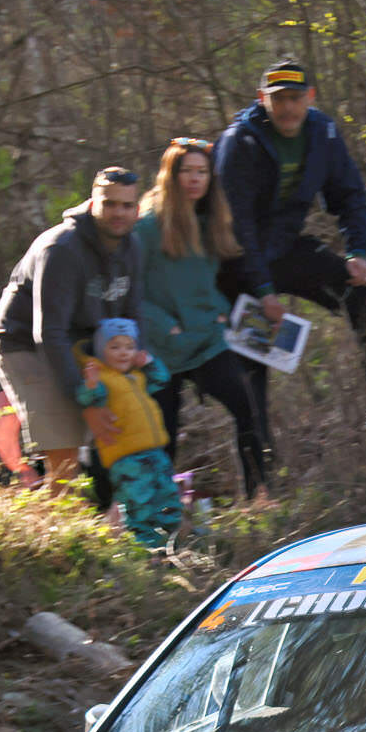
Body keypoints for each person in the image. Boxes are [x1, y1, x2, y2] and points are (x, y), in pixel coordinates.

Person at [214, 60, 366, 369]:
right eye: (278, 99)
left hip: (283, 248)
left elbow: (350, 195)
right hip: (236, 262)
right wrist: (264, 292)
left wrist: (358, 252)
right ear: (262, 99)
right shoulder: (239, 142)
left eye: (295, 98)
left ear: (310, 96)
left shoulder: (323, 133)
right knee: (252, 363)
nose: (288, 108)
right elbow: (239, 226)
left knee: (363, 290)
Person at [135, 138, 274, 501]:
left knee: (246, 407)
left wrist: (221, 311)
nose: (195, 179)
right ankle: (158, 510)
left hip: (206, 340)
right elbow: (130, 289)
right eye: (187, 171)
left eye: (202, 172)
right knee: (163, 433)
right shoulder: (147, 225)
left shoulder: (212, 221)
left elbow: (204, 280)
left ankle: (258, 496)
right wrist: (163, 325)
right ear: (171, 175)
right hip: (162, 347)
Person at [0, 167, 143, 488]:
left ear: (137, 210)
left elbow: (132, 319)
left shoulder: (132, 248)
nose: (118, 213)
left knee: (120, 432)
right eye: (110, 204)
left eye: (127, 206)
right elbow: (48, 333)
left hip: (80, 345)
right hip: (26, 345)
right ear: (93, 203)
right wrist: (87, 401)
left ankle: (98, 512)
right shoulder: (61, 248)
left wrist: (137, 368)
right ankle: (56, 515)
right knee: (65, 453)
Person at [76, 319, 182, 548]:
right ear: (101, 351)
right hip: (127, 460)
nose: (123, 353)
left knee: (167, 496)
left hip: (155, 452)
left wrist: (149, 363)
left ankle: (172, 543)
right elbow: (87, 399)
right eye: (114, 347)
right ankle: (147, 549)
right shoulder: (102, 379)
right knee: (138, 504)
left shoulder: (138, 377)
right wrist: (91, 384)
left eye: (129, 347)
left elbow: (162, 379)